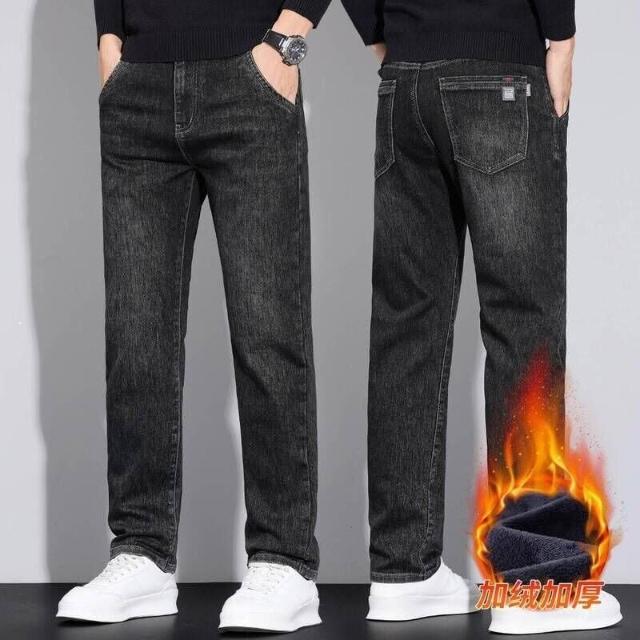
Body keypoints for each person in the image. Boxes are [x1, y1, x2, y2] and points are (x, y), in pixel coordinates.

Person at [342, 0, 621, 633]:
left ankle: (402, 573)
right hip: (498, 70)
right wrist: (561, 37)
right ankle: (534, 582)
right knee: (522, 326)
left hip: (405, 84)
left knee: (406, 328)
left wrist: (386, 34)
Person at [57, 0, 330, 632]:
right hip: (139, 83)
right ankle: (141, 552)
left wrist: (286, 37)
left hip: (249, 72)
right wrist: (109, 39)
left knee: (269, 333)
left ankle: (284, 560)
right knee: (136, 337)